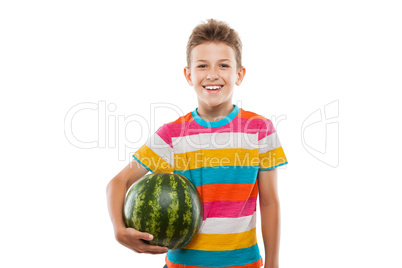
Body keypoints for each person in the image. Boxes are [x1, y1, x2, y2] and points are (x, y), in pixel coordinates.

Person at [106, 18, 288, 268]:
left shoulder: (260, 130)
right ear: (188, 75)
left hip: (245, 264)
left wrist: (273, 264)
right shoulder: (171, 135)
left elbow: (269, 202)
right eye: (202, 66)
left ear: (239, 74)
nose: (212, 74)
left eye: (223, 65)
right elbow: (118, 183)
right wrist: (118, 230)